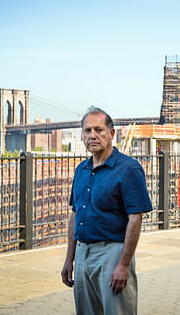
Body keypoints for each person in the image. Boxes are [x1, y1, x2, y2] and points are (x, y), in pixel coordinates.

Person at [61, 106, 152, 315]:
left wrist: (123, 265)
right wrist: (69, 259)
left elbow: (135, 220)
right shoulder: (81, 169)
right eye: (87, 131)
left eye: (98, 130)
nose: (92, 135)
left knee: (117, 311)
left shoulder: (129, 169)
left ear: (111, 134)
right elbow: (75, 215)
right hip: (83, 254)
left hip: (112, 253)